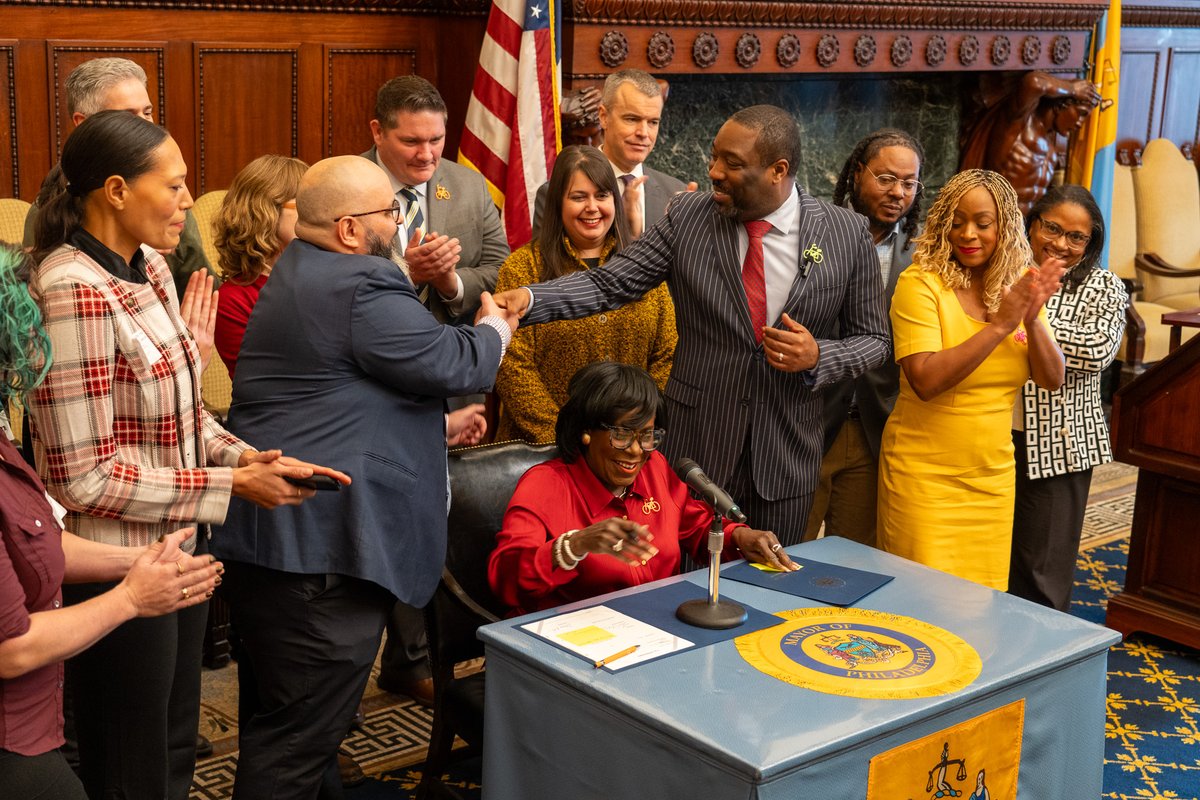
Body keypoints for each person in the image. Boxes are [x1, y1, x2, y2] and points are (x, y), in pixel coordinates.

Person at [26, 110, 345, 800]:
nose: (185, 203)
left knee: (174, 753)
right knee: (130, 767)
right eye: (171, 187)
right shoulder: (72, 289)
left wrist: (251, 460)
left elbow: (188, 418)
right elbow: (83, 478)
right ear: (115, 190)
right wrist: (228, 490)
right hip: (116, 566)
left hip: (182, 550)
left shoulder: (156, 269)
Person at [211, 155, 514, 799]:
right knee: (292, 748)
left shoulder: (302, 268)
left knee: (293, 730)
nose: (402, 222)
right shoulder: (359, 285)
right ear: (350, 229)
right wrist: (495, 326)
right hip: (318, 560)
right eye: (391, 211)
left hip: (283, 548)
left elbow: (342, 393)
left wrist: (432, 429)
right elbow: (453, 364)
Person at [494, 105, 891, 546]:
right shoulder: (689, 216)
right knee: (679, 584)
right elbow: (612, 282)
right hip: (695, 451)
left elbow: (874, 339)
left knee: (774, 587)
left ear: (779, 170)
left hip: (784, 457)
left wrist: (820, 355)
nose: (715, 172)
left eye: (733, 163)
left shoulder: (845, 233)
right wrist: (529, 299)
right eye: (714, 156)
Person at [0, 242, 222, 800]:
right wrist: (131, 597)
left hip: (36, 719)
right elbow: (10, 648)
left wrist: (144, 565)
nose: (38, 347)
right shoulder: (78, 283)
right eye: (31, 320)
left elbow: (41, 541)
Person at [876, 169, 1066, 590]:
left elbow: (1052, 379)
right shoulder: (920, 284)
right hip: (923, 478)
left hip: (991, 481)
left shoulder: (1017, 286)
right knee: (918, 603)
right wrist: (999, 326)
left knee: (980, 604)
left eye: (983, 223)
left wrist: (1032, 321)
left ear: (1005, 227)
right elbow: (925, 380)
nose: (969, 234)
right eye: (957, 221)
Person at [490, 361, 796, 615]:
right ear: (586, 431)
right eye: (621, 435)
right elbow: (505, 580)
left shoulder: (655, 468)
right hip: (578, 644)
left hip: (662, 626)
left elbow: (695, 527)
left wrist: (739, 537)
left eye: (648, 435)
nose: (637, 450)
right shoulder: (545, 485)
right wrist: (574, 545)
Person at [495, 145, 676, 443]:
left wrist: (633, 433)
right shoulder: (522, 269)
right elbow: (512, 367)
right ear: (557, 203)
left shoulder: (644, 265)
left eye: (602, 195)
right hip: (543, 453)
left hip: (629, 452)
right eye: (579, 197)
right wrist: (564, 439)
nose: (592, 207)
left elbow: (666, 354)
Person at [805, 128, 925, 547]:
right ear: (858, 174)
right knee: (786, 548)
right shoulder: (814, 230)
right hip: (809, 419)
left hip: (875, 429)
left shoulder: (921, 254)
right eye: (886, 178)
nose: (898, 192)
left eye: (909, 183)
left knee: (853, 561)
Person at [1011, 185, 1128, 611]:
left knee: (1041, 571)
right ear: (1032, 223)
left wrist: (1018, 323)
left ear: (1091, 241)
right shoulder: (1004, 271)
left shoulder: (1104, 286)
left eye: (1076, 237)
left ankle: (1041, 664)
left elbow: (1095, 352)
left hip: (1060, 445)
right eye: (1052, 228)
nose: (1060, 243)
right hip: (991, 436)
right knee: (990, 562)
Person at [22, 56, 214, 301]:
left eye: (147, 112)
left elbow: (201, 289)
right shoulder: (49, 207)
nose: (145, 125)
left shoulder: (168, 195)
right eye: (128, 116)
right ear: (84, 124)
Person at [363, 74, 508, 323]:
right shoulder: (343, 187)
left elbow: (501, 270)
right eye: (411, 141)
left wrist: (451, 283)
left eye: (436, 140)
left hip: (455, 345)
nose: (426, 155)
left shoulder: (470, 185)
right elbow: (329, 279)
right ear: (378, 132)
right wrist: (406, 275)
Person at [534, 69, 692, 238]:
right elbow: (550, 262)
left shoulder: (676, 193)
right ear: (603, 117)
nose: (644, 133)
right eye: (632, 119)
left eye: (653, 122)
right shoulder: (557, 193)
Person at [213, 154, 308, 377]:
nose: (318, 212)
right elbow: (265, 383)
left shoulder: (327, 274)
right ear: (265, 212)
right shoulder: (232, 300)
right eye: (304, 203)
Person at [959, 71, 1101, 216]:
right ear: (1061, 105)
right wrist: (1073, 89)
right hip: (990, 221)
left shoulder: (1051, 150)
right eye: (1081, 113)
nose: (1080, 124)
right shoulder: (1018, 123)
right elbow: (1033, 82)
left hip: (1022, 230)